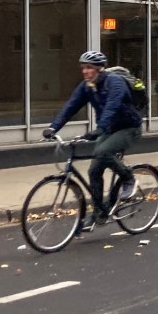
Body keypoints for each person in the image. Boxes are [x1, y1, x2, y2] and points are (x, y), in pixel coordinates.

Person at [43, 50, 143, 228]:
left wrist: (99, 129)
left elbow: (112, 106)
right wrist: (53, 127)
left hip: (129, 128)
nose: (84, 71)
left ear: (98, 69)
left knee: (102, 152)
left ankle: (129, 179)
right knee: (94, 171)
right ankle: (99, 213)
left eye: (88, 68)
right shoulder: (87, 86)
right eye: (83, 68)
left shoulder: (115, 82)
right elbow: (70, 106)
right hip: (109, 129)